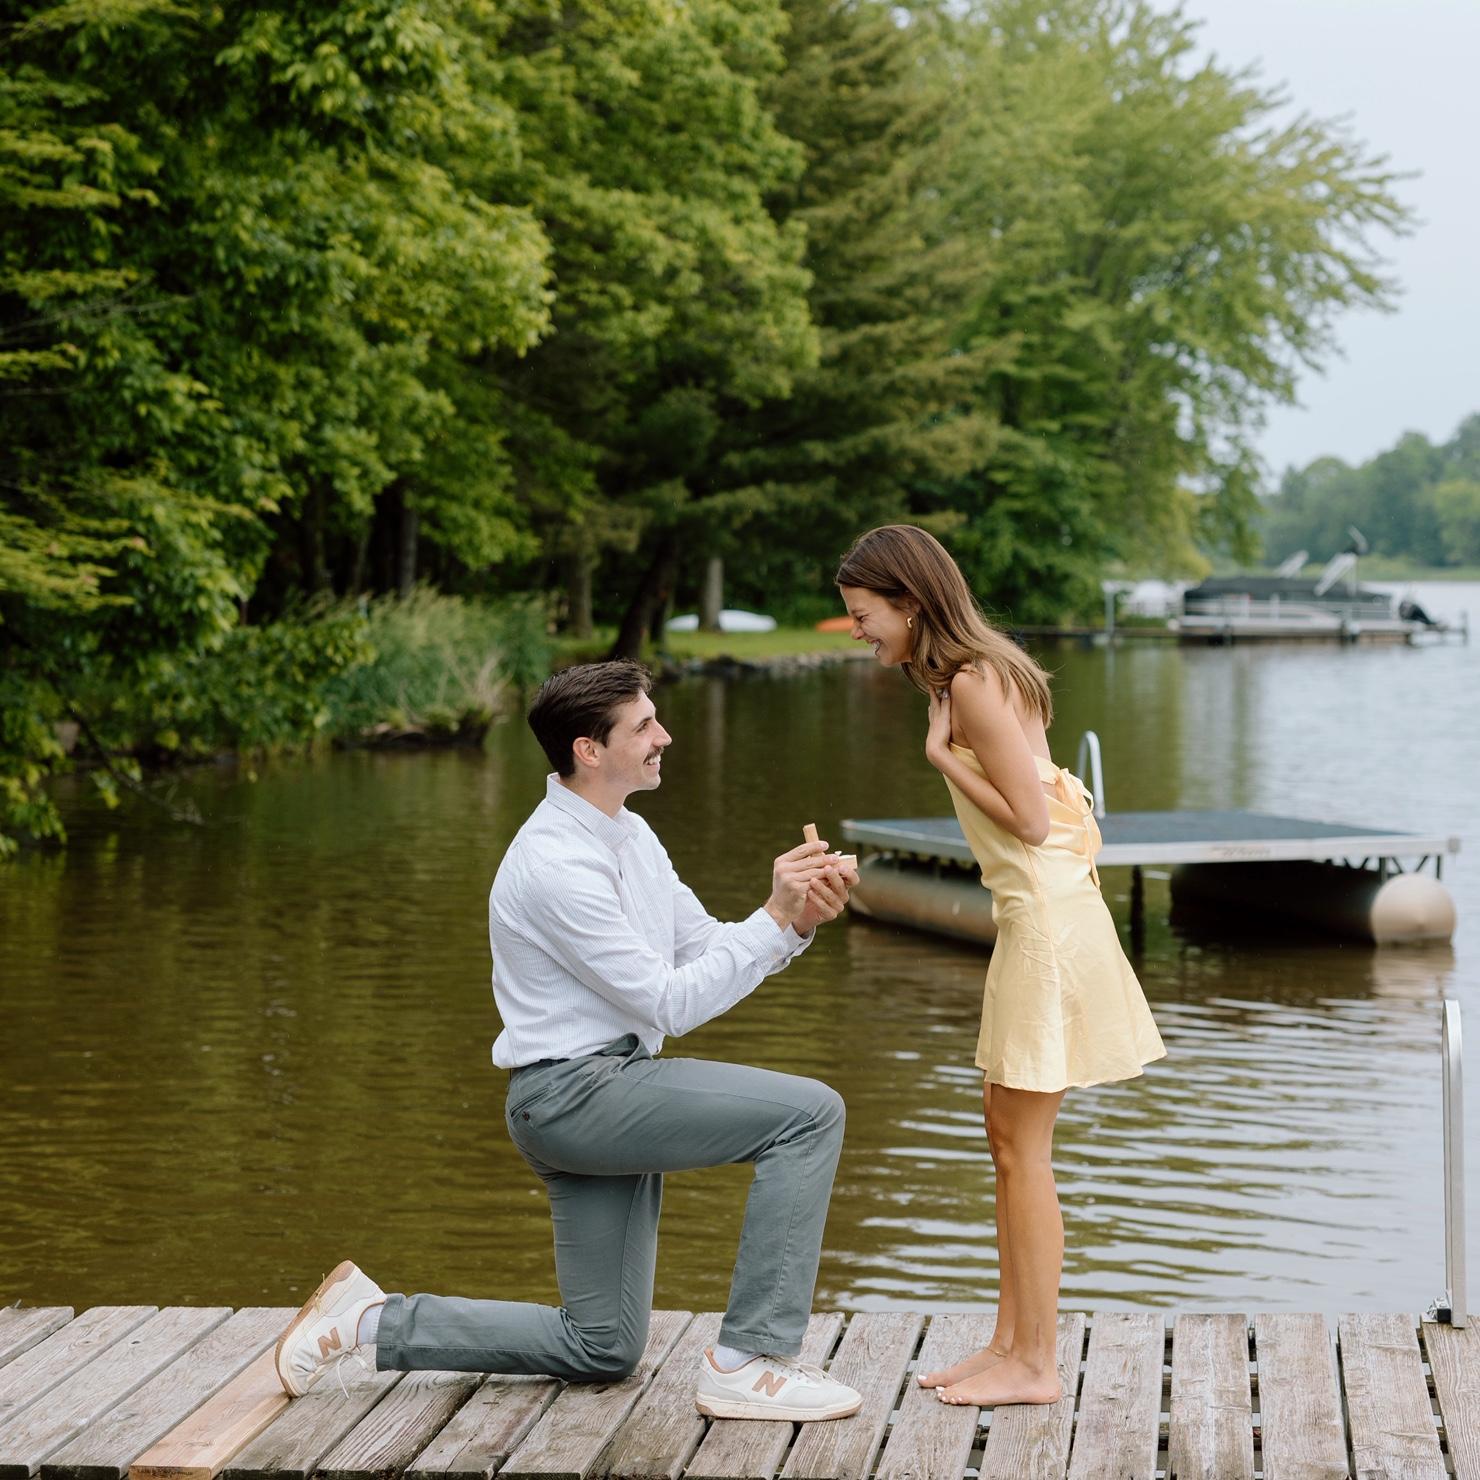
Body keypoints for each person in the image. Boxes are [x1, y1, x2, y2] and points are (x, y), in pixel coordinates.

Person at [274, 659, 863, 1422]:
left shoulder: (631, 834)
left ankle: (369, 1322)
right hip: (574, 1095)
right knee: (809, 1115)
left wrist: (795, 922)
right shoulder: (554, 864)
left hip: (607, 1090)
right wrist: (773, 918)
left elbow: (701, 948)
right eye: (644, 727)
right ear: (589, 750)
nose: (664, 737)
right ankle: (749, 1361)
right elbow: (672, 1002)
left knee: (601, 1346)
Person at [836, 525, 1165, 1408]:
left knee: (1023, 1148)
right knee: (1005, 1139)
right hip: (1036, 916)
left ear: (910, 602)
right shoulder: (980, 672)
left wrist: (939, 756)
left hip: (1045, 923)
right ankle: (1009, 1343)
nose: (858, 631)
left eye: (864, 615)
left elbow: (1029, 818)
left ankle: (1037, 1365)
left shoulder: (974, 683)